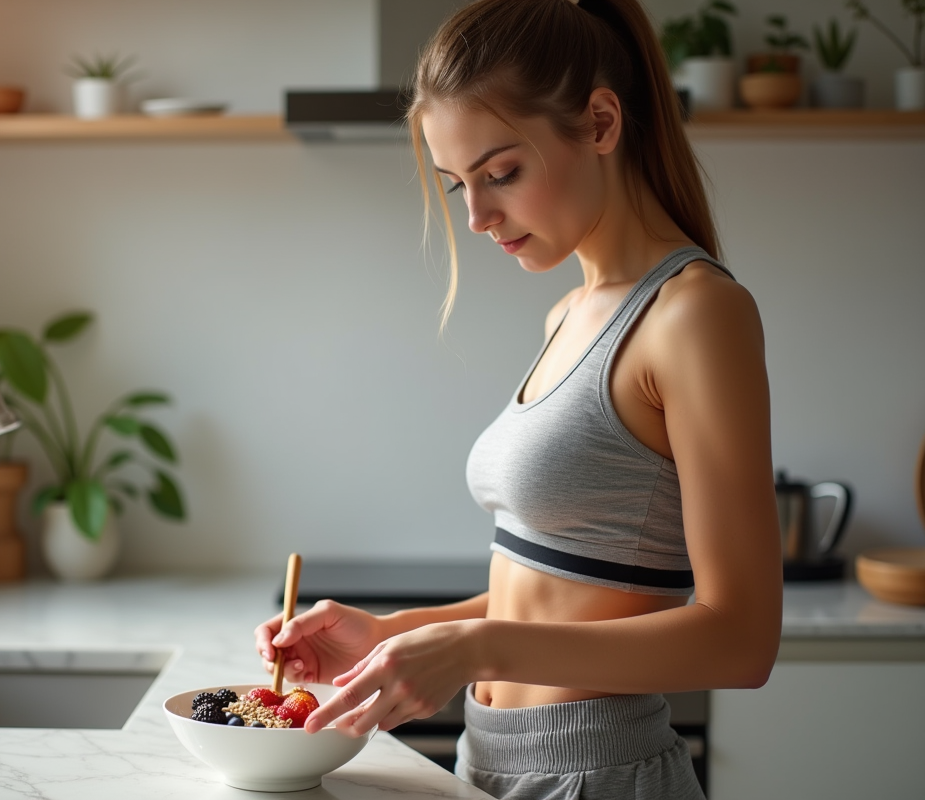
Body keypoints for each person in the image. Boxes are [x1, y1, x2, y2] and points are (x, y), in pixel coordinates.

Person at [253, 0, 782, 797]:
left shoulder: (695, 314)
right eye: (459, 183)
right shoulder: (570, 312)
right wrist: (396, 633)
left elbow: (742, 641)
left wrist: (476, 648)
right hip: (493, 759)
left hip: (599, 774)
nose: (476, 215)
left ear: (602, 122)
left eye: (501, 173)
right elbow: (561, 590)